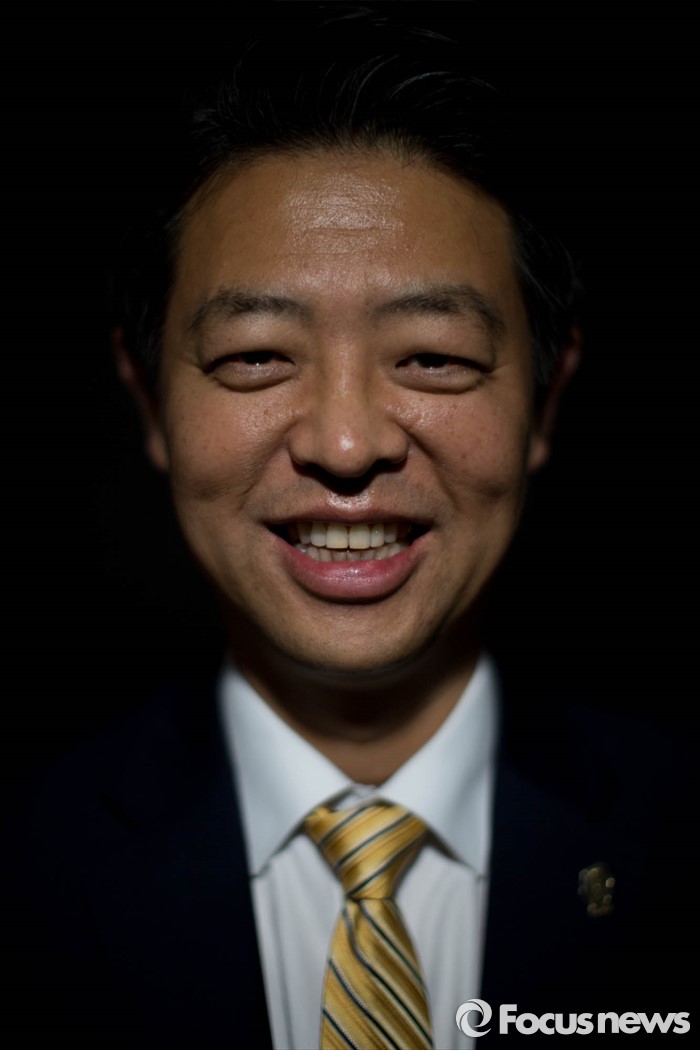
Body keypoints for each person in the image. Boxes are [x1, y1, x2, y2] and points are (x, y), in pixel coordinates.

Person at [4, 5, 692, 1047]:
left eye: (433, 357)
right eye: (254, 356)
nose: (344, 441)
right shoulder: (24, 869)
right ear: (149, 403)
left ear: (545, 403)